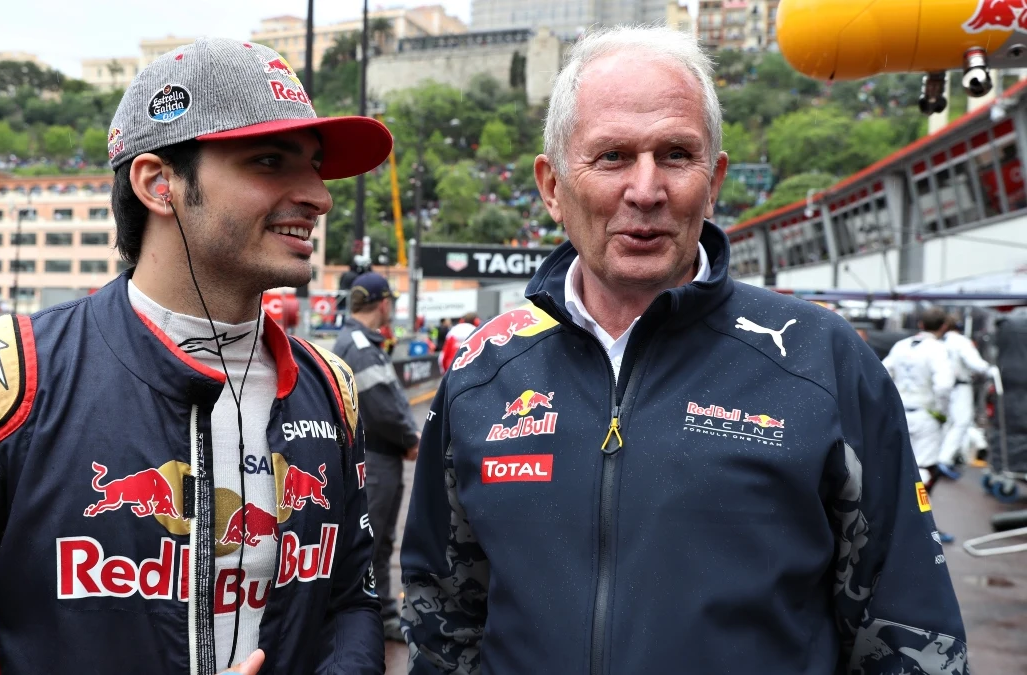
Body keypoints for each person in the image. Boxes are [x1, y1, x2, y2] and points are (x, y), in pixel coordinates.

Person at [401, 24, 966, 675]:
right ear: (552, 185)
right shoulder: (481, 374)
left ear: (715, 178)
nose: (645, 190)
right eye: (611, 156)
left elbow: (910, 628)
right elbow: (439, 618)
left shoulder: (822, 360)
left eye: (675, 154)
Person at [0, 38, 391, 675]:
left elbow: (352, 603)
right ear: (158, 184)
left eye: (315, 166)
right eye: (269, 161)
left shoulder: (330, 386)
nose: (319, 195)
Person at [332, 272, 420, 642]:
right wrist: (411, 438)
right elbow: (382, 407)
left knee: (379, 540)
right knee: (374, 538)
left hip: (377, 455)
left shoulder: (358, 341)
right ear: (383, 303)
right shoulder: (361, 346)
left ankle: (381, 613)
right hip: (375, 457)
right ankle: (371, 619)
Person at [884, 309, 958, 495]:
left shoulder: (900, 346)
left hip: (900, 414)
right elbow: (944, 385)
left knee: (896, 467)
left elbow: (882, 374)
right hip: (926, 415)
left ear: (920, 324)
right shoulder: (938, 349)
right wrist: (942, 411)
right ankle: (921, 517)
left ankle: (900, 516)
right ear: (943, 326)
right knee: (923, 470)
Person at [941, 314, 996, 467]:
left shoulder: (939, 341)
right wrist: (991, 370)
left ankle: (949, 455)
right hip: (960, 387)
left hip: (942, 387)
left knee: (947, 422)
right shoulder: (960, 341)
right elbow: (975, 363)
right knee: (962, 422)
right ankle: (945, 458)